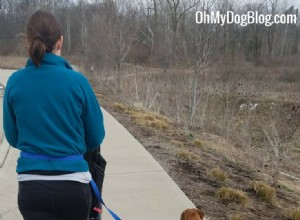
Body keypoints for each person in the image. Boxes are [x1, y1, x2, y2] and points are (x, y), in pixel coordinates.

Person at [3, 10, 105, 220]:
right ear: (60, 42)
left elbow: (13, 138)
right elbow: (96, 136)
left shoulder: (15, 82)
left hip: (31, 187)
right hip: (73, 187)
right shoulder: (78, 82)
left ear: (28, 42)